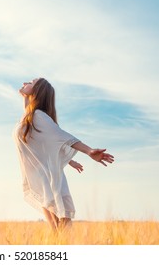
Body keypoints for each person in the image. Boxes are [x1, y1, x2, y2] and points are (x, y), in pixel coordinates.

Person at [13, 78, 114, 231]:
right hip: (42, 178)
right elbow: (44, 144)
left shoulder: (39, 117)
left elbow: (61, 137)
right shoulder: (30, 117)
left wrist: (88, 151)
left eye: (31, 82)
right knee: (57, 228)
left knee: (61, 225)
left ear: (38, 91)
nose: (25, 83)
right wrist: (25, 96)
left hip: (49, 179)